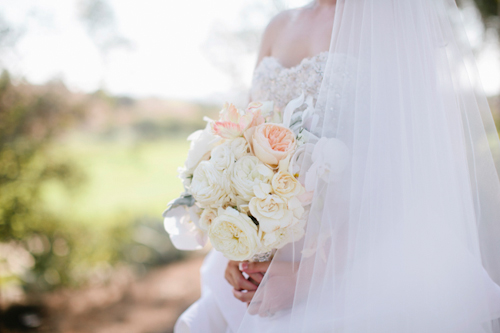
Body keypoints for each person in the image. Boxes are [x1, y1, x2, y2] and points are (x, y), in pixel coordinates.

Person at [176, 0, 500, 332]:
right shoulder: (278, 26)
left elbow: (401, 168)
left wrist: (308, 276)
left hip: (363, 250)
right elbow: (244, 136)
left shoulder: (388, 21)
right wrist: (242, 243)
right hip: (273, 255)